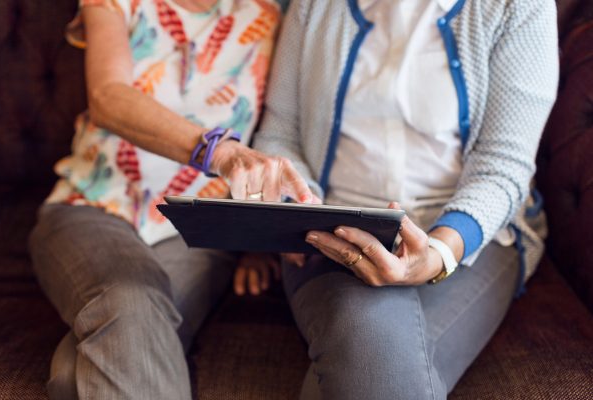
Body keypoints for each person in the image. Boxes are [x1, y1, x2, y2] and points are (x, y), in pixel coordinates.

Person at [228, 0, 558, 398]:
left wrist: (436, 253)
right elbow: (280, 132)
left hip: (471, 237)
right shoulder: (313, 6)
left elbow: (503, 165)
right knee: (365, 332)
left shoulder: (517, 7)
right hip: (330, 232)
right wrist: (299, 205)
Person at [28, 0, 306, 399]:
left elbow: (279, 128)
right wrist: (218, 152)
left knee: (75, 373)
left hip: (198, 226)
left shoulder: (268, 15)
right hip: (91, 206)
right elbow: (108, 95)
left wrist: (261, 235)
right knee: (127, 296)